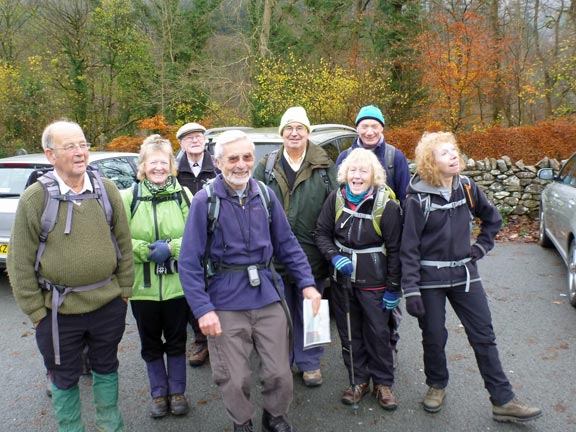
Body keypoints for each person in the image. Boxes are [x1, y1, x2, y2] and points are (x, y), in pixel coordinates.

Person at [178, 130, 322, 432]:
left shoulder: (266, 196)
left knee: (280, 373)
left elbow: (288, 244)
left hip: (268, 296)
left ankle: (275, 417)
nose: (241, 165)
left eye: (246, 157)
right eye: (233, 158)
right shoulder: (204, 202)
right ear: (218, 162)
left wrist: (307, 283)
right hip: (225, 301)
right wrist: (203, 310)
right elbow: (189, 263)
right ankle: (241, 422)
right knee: (234, 376)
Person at [400, 131, 542, 423]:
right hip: (430, 279)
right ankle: (436, 385)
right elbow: (409, 247)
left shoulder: (466, 187)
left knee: (483, 335)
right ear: (430, 162)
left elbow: (493, 219)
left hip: (465, 275)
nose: (453, 155)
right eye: (445, 152)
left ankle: (502, 400)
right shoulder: (416, 199)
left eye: (454, 150)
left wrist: (481, 246)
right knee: (434, 337)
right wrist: (411, 290)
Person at [7, 119, 134, 431]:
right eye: (70, 147)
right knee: (64, 378)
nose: (80, 153)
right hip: (57, 312)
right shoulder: (35, 199)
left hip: (107, 305)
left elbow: (123, 243)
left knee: (106, 368)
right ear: (51, 155)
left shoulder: (107, 190)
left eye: (83, 145)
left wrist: (124, 291)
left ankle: (110, 426)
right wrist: (37, 312)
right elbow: (19, 261)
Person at [253, 106, 338, 387]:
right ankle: (284, 361)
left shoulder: (325, 166)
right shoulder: (265, 166)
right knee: (280, 313)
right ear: (281, 133)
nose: (294, 133)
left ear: (308, 132)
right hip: (275, 255)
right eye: (288, 128)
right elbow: (252, 207)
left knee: (312, 310)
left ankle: (311, 363)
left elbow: (336, 210)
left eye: (299, 128)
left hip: (313, 252)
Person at [315, 148, 402, 410]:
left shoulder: (387, 206)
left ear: (373, 175)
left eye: (363, 171)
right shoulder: (335, 199)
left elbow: (397, 250)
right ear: (345, 173)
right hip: (343, 282)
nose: (357, 175)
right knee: (350, 333)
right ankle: (358, 381)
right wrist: (333, 256)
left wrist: (393, 289)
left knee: (379, 333)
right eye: (353, 170)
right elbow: (321, 233)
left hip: (375, 283)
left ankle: (383, 383)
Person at [121, 134, 193, 418]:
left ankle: (177, 392)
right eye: (153, 163)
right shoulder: (129, 197)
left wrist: (171, 248)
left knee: (176, 341)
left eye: (164, 162)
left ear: (172, 165)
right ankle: (158, 394)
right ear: (143, 165)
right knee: (150, 343)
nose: (159, 168)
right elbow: (121, 239)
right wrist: (147, 251)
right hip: (143, 289)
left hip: (177, 286)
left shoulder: (184, 195)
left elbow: (196, 236)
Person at [336, 105, 411, 367]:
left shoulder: (395, 157)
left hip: (386, 244)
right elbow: (337, 197)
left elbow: (405, 198)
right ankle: (363, 365)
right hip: (352, 248)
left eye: (374, 126)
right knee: (356, 312)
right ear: (356, 127)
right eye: (364, 126)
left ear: (382, 128)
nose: (369, 131)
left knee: (387, 311)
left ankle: (387, 352)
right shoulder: (345, 155)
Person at [175, 122, 219, 368]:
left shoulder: (217, 167)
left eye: (199, 136)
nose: (194, 141)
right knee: (191, 288)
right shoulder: (173, 171)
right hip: (184, 239)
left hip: (214, 238)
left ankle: (219, 338)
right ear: (181, 144)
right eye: (189, 137)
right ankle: (201, 340)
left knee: (216, 286)